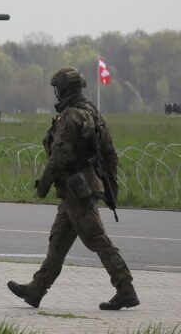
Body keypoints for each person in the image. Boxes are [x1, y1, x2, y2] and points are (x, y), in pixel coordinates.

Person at [8, 67, 138, 311]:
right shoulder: (92, 113)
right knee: (58, 242)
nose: (56, 93)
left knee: (97, 240)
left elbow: (60, 155)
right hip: (77, 190)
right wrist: (110, 185)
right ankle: (37, 289)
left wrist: (44, 184)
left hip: (77, 190)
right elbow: (111, 154)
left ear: (65, 90)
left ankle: (125, 288)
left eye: (58, 89)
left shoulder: (71, 117)